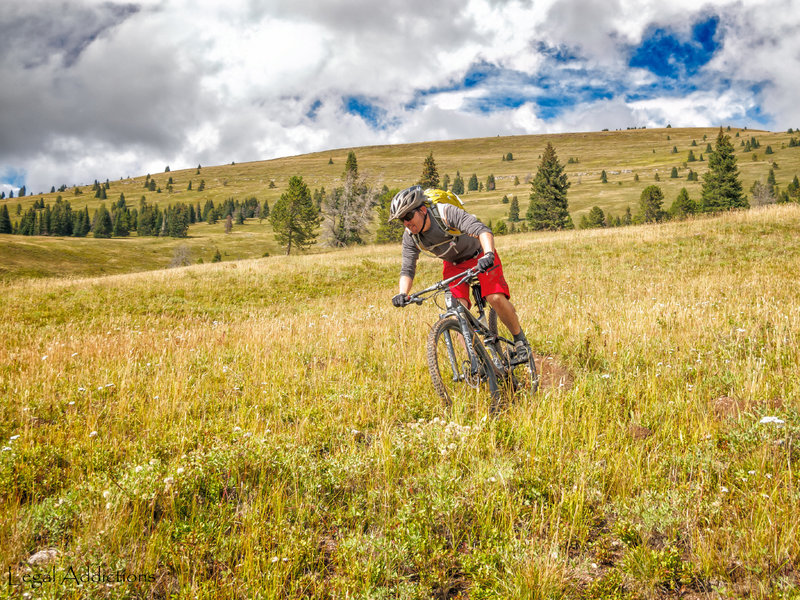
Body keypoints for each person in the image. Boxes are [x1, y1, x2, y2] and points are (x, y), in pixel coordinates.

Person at [388, 185, 530, 359]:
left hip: (480, 255)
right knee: (457, 313)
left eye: (408, 216)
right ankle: (476, 360)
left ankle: (520, 341)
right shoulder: (410, 235)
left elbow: (482, 230)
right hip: (454, 264)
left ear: (423, 210)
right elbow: (407, 267)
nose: (407, 222)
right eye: (402, 219)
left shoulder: (444, 213)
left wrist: (488, 254)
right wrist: (403, 293)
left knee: (494, 297)